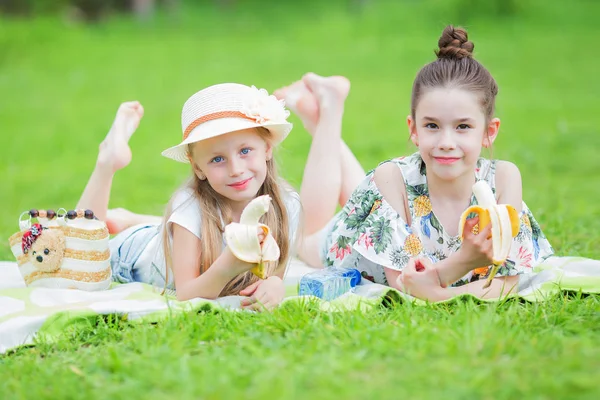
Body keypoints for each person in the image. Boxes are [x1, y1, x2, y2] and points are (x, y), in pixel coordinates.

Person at [278, 25, 554, 301]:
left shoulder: (505, 179)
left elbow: (505, 282)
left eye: (463, 127)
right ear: (413, 129)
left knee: (373, 192)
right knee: (304, 238)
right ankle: (329, 110)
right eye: (432, 125)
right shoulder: (391, 177)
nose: (446, 141)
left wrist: (433, 289)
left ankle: (319, 111)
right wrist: (466, 261)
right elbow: (404, 283)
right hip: (350, 239)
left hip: (389, 199)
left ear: (488, 132)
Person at [76, 83, 303, 310]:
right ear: (198, 168)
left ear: (267, 148)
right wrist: (227, 267)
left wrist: (274, 283)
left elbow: (273, 273)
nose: (235, 169)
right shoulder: (190, 205)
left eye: (245, 151)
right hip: (133, 257)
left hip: (180, 238)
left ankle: (138, 220)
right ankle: (107, 161)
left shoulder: (286, 204)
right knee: (77, 253)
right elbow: (187, 295)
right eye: (217, 159)